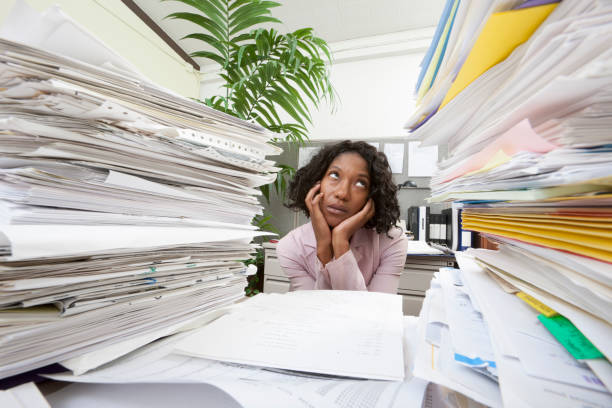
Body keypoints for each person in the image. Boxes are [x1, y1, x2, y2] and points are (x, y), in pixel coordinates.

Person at [276, 140, 407, 294]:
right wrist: (324, 249)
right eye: (334, 175)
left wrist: (340, 242)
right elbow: (314, 311)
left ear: (372, 196)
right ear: (316, 183)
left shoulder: (391, 242)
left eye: (360, 183)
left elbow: (376, 314)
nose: (342, 193)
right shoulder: (291, 247)